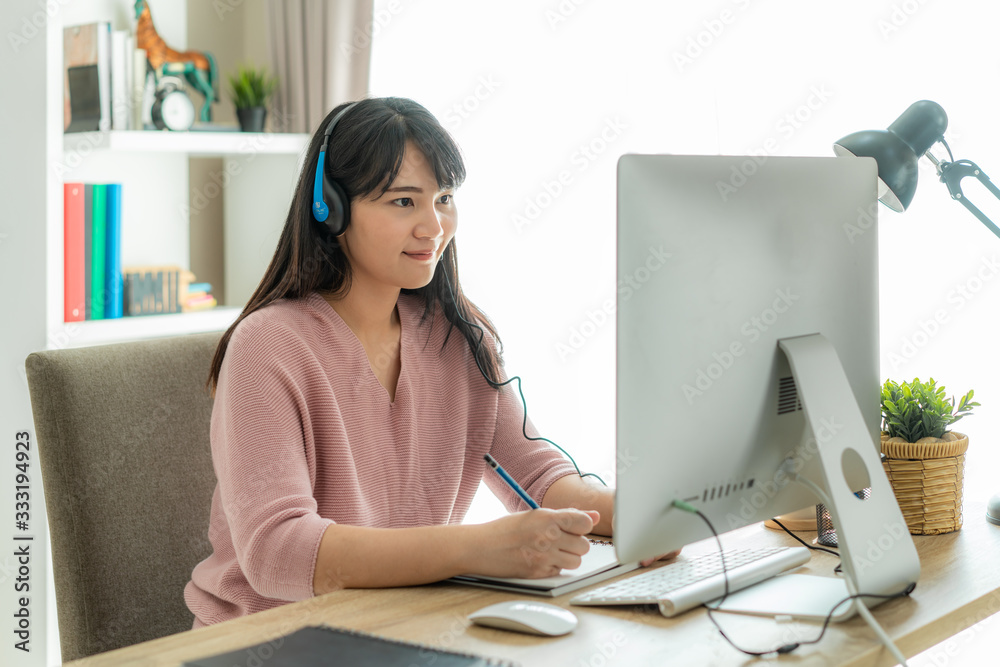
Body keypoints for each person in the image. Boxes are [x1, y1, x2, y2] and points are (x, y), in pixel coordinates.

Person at [184, 97, 675, 628]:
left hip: (398, 626)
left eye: (443, 198)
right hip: (266, 643)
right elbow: (276, 552)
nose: (433, 227)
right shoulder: (269, 344)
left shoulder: (458, 336)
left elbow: (538, 479)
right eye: (402, 202)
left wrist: (642, 514)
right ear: (331, 208)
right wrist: (477, 548)